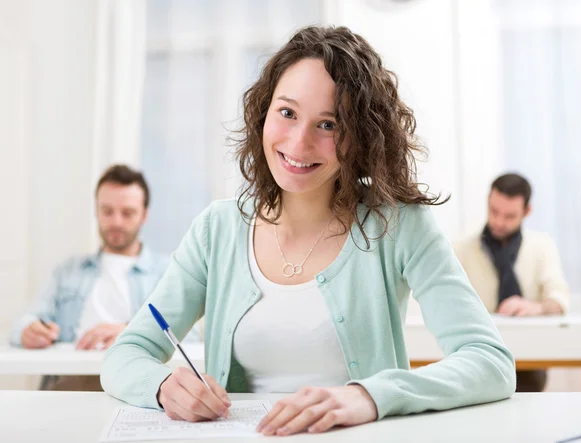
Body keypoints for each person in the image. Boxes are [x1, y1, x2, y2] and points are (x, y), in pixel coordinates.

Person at [101, 26, 515, 436]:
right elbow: (127, 354)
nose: (299, 144)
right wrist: (162, 387)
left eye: (329, 125)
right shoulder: (217, 230)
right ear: (264, 111)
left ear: (362, 136)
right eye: (287, 113)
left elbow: (490, 362)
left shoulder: (401, 225)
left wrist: (370, 396)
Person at [10, 165, 170, 390]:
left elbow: (186, 333)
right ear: (96, 211)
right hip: (70, 382)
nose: (116, 222)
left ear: (144, 215)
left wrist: (131, 330)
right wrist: (29, 331)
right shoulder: (68, 271)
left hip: (139, 382)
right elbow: (23, 322)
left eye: (127, 213)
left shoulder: (166, 272)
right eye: (107, 211)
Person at [455, 173, 569, 392]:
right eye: (494, 211)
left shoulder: (541, 246)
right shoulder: (462, 250)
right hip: (478, 357)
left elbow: (560, 299)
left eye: (509, 216)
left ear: (527, 212)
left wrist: (536, 307)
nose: (498, 222)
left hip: (530, 359)